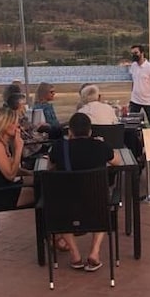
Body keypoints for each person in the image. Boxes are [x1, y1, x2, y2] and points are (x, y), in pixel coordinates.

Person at [47, 112, 121, 272]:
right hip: (97, 208)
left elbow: (49, 168)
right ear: (90, 131)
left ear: (70, 132)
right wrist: (102, 144)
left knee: (58, 201)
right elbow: (117, 161)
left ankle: (75, 255)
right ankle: (94, 252)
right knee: (104, 199)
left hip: (67, 208)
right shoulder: (100, 146)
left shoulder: (59, 147)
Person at [0, 106, 34, 207]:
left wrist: (29, 173)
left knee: (40, 182)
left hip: (4, 189)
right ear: (4, 125)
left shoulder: (4, 144)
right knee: (44, 190)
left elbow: (11, 168)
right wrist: (18, 149)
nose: (18, 126)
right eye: (14, 123)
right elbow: (10, 175)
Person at [128, 44, 150, 128]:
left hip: (148, 101)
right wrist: (132, 94)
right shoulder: (133, 66)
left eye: (136, 53)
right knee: (132, 123)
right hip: (135, 100)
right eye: (132, 53)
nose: (134, 55)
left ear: (142, 53)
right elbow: (133, 81)